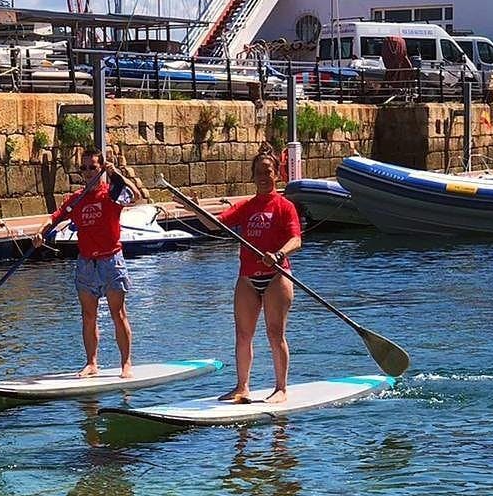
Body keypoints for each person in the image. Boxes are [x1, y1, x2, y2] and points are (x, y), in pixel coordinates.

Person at [177, 149, 303, 404]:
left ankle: (281, 389)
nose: (263, 177)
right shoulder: (247, 207)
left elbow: (296, 240)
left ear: (277, 174)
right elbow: (216, 224)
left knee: (274, 333)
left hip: (276, 276)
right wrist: (195, 208)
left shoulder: (284, 206)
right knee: (243, 335)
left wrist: (278, 255)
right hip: (247, 278)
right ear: (253, 177)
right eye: (259, 173)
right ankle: (242, 387)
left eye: (267, 172)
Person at [33, 148, 150, 379]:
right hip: (86, 263)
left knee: (118, 313)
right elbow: (54, 218)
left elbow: (136, 196)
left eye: (92, 167)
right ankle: (91, 363)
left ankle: (126, 363)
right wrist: (40, 233)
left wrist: (116, 173)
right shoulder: (75, 200)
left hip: (111, 260)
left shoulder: (112, 193)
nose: (87, 172)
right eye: (84, 168)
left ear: (101, 168)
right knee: (88, 315)